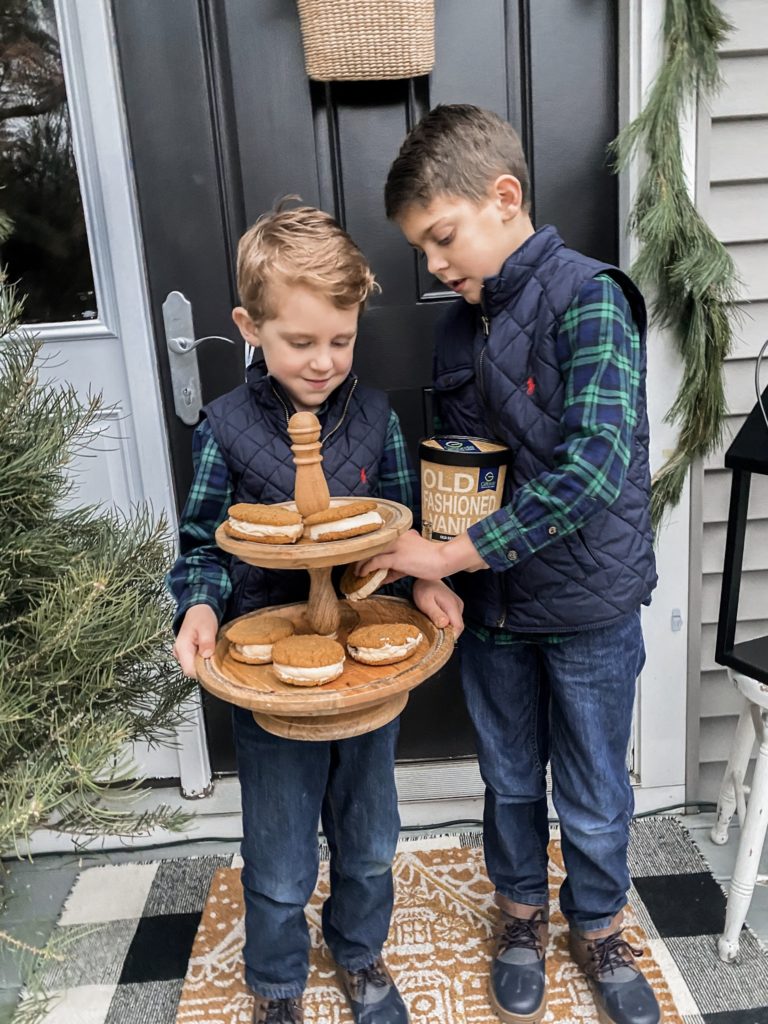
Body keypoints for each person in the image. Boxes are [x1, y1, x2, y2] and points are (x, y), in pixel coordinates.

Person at [360, 105, 659, 1024]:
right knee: (511, 776)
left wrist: (451, 549)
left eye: (443, 238)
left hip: (589, 608)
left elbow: (596, 467)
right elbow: (453, 465)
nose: (436, 265)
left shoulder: (592, 298)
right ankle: (522, 915)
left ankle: (599, 923)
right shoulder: (457, 330)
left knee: (596, 784)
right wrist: (432, 566)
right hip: (490, 610)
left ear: (505, 197)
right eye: (422, 249)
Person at [168, 204, 464, 1024]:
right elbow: (203, 543)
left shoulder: (376, 419)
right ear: (249, 327)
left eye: (342, 339)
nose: (325, 360)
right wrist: (197, 604)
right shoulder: (224, 430)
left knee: (369, 844)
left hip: (365, 680)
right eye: (301, 342)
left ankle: (361, 953)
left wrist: (426, 585)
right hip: (274, 692)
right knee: (279, 853)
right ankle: (275, 984)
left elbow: (401, 530)